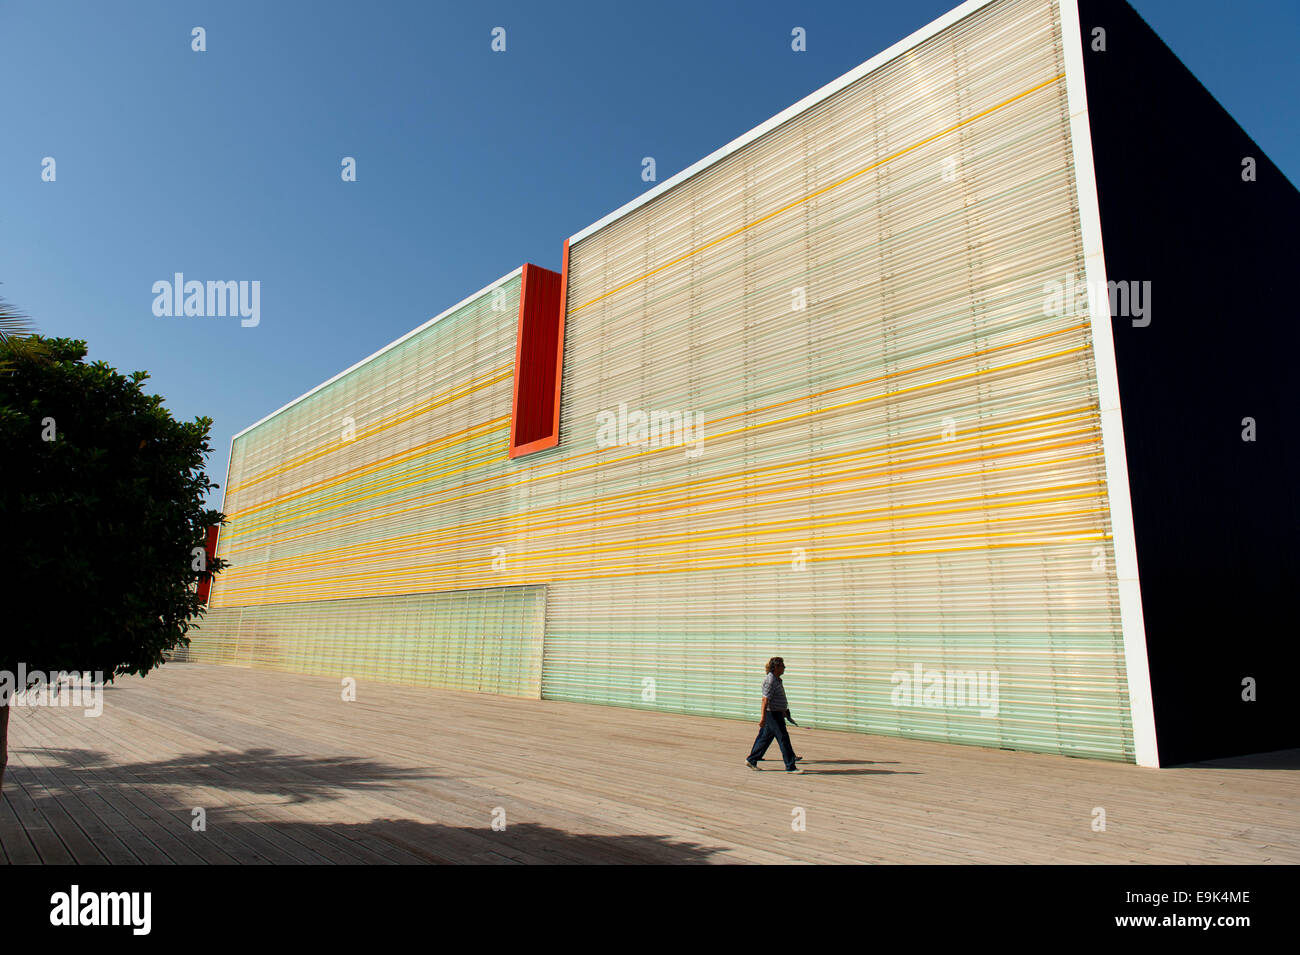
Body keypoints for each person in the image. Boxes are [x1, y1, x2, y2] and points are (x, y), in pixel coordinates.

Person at [745, 657, 803, 773]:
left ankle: (752, 759)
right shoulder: (770, 680)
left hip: (776, 713)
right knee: (783, 738)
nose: (784, 668)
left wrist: (783, 710)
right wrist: (763, 718)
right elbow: (765, 700)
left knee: (765, 738)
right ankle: (790, 766)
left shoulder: (776, 679)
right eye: (782, 666)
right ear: (776, 667)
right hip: (772, 714)